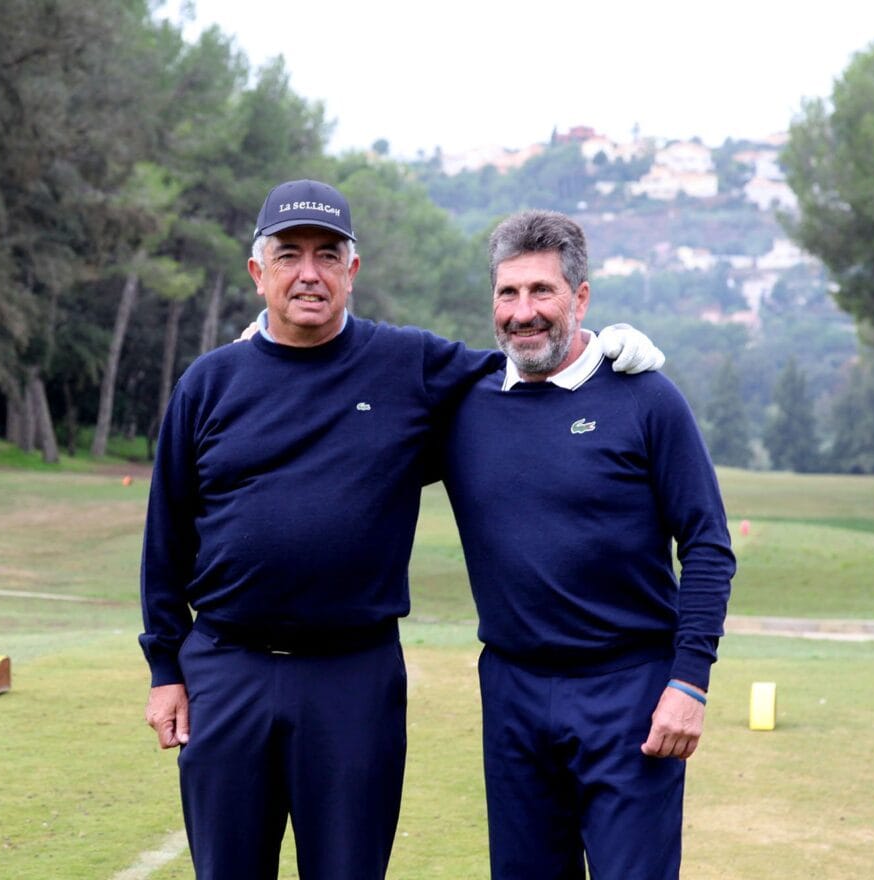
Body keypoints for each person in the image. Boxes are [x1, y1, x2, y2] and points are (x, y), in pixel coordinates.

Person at [139, 180, 663, 880]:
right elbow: (166, 536)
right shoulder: (209, 383)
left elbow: (527, 361)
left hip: (353, 677)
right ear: (257, 272)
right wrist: (164, 668)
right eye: (288, 255)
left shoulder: (406, 364)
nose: (309, 273)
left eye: (328, 255)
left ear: (352, 272)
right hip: (225, 669)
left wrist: (602, 350)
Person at [440, 209, 736, 879]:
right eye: (508, 293)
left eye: (542, 291)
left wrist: (690, 681)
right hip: (512, 692)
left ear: (580, 298)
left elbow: (709, 544)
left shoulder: (647, 399)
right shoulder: (464, 405)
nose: (524, 312)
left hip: (628, 692)